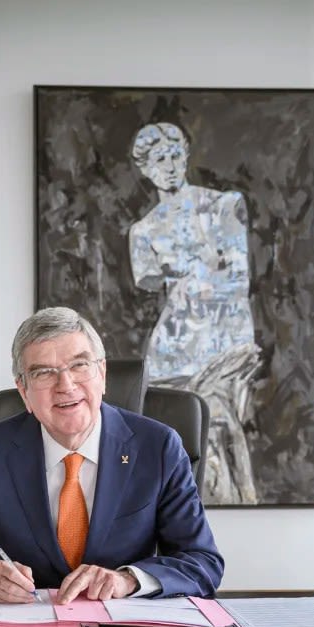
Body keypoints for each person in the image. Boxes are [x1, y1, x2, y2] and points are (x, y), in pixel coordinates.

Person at [0, 306, 224, 604]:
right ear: (24, 392)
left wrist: (126, 581)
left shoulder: (158, 447)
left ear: (102, 374)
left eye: (79, 365)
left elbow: (202, 562)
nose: (66, 384)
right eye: (44, 372)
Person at [127, 122, 262, 504]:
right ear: (145, 168)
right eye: (158, 159)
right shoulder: (143, 231)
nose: (168, 165)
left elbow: (238, 279)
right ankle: (181, 519)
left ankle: (235, 505)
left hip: (223, 340)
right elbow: (150, 281)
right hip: (174, 346)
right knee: (179, 442)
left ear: (185, 155)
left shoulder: (223, 205)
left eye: (174, 155)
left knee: (221, 429)